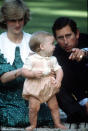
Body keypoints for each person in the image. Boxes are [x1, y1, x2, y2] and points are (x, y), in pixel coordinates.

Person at [22, 31, 67, 131]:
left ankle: (57, 123)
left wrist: (58, 80)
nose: (54, 46)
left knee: (54, 106)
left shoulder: (53, 59)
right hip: (35, 88)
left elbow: (59, 70)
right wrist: (33, 74)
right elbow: (24, 71)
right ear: (42, 46)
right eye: (51, 44)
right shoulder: (31, 59)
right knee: (34, 108)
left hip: (49, 87)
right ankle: (33, 125)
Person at [52, 16, 88, 123]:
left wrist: (84, 53)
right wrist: (85, 101)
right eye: (60, 38)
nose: (65, 41)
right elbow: (70, 82)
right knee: (53, 82)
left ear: (76, 33)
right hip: (78, 96)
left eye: (68, 35)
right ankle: (77, 114)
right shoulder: (56, 54)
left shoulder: (86, 39)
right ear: (55, 38)